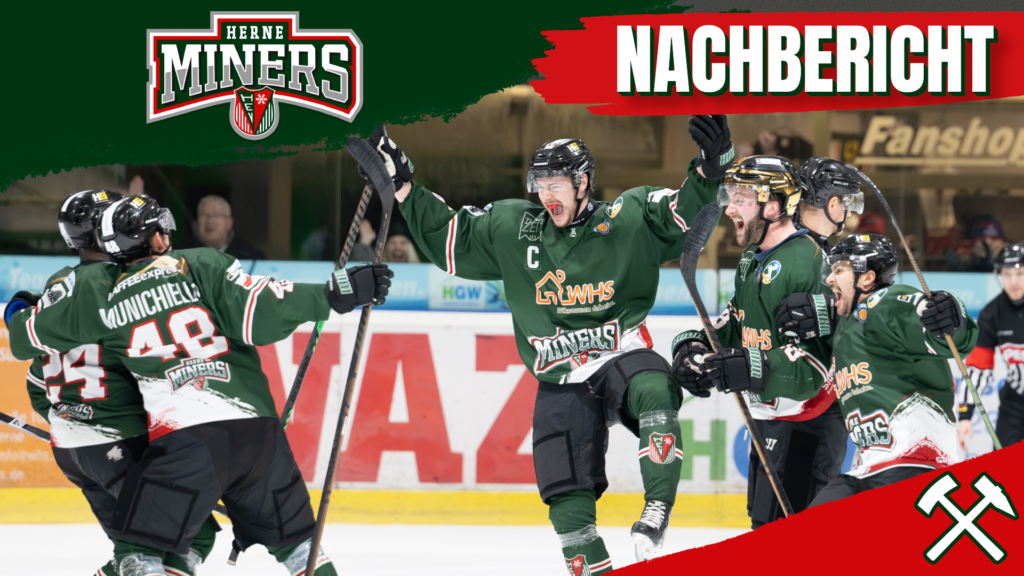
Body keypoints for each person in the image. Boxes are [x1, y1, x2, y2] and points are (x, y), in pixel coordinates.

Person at [368, 116, 733, 569]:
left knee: (656, 388)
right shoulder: (513, 228)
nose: (546, 195)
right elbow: (449, 236)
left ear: (584, 182)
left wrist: (711, 168)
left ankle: (656, 509)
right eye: (539, 184)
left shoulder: (629, 217)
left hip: (620, 356)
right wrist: (403, 185)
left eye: (556, 183)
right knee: (566, 505)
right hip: (560, 377)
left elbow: (685, 211)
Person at [7, 194, 393, 576]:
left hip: (187, 445)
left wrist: (23, 311)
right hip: (259, 436)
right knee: (302, 547)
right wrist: (335, 292)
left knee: (138, 551)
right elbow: (263, 309)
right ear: (156, 237)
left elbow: (28, 339)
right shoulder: (201, 263)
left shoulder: (103, 295)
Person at [3, 190, 217, 576]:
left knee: (132, 554)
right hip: (121, 443)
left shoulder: (55, 289)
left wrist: (74, 419)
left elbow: (38, 382)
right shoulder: (123, 285)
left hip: (72, 450)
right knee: (193, 536)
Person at [671, 156, 846, 530]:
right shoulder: (751, 257)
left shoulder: (807, 261)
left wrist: (753, 366)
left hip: (807, 425)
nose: (730, 208)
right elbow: (735, 321)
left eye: (741, 199)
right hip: (768, 420)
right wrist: (697, 346)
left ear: (773, 206)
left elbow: (816, 368)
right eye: (730, 196)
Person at [781, 234, 976, 505]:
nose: (829, 279)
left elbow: (940, 331)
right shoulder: (845, 329)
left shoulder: (884, 302)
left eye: (839, 270)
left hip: (915, 464)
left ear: (867, 278)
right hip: (866, 470)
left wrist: (949, 318)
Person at [958, 243, 1024, 450]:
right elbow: (978, 368)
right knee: (1005, 466)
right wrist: (965, 414)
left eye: (1020, 273)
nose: (1014, 282)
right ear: (999, 275)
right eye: (1007, 274)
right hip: (1016, 403)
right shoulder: (992, 313)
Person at [196, 194, 264, 260]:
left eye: (216, 215)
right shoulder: (190, 253)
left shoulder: (250, 256)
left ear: (229, 223)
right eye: (205, 215)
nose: (210, 221)